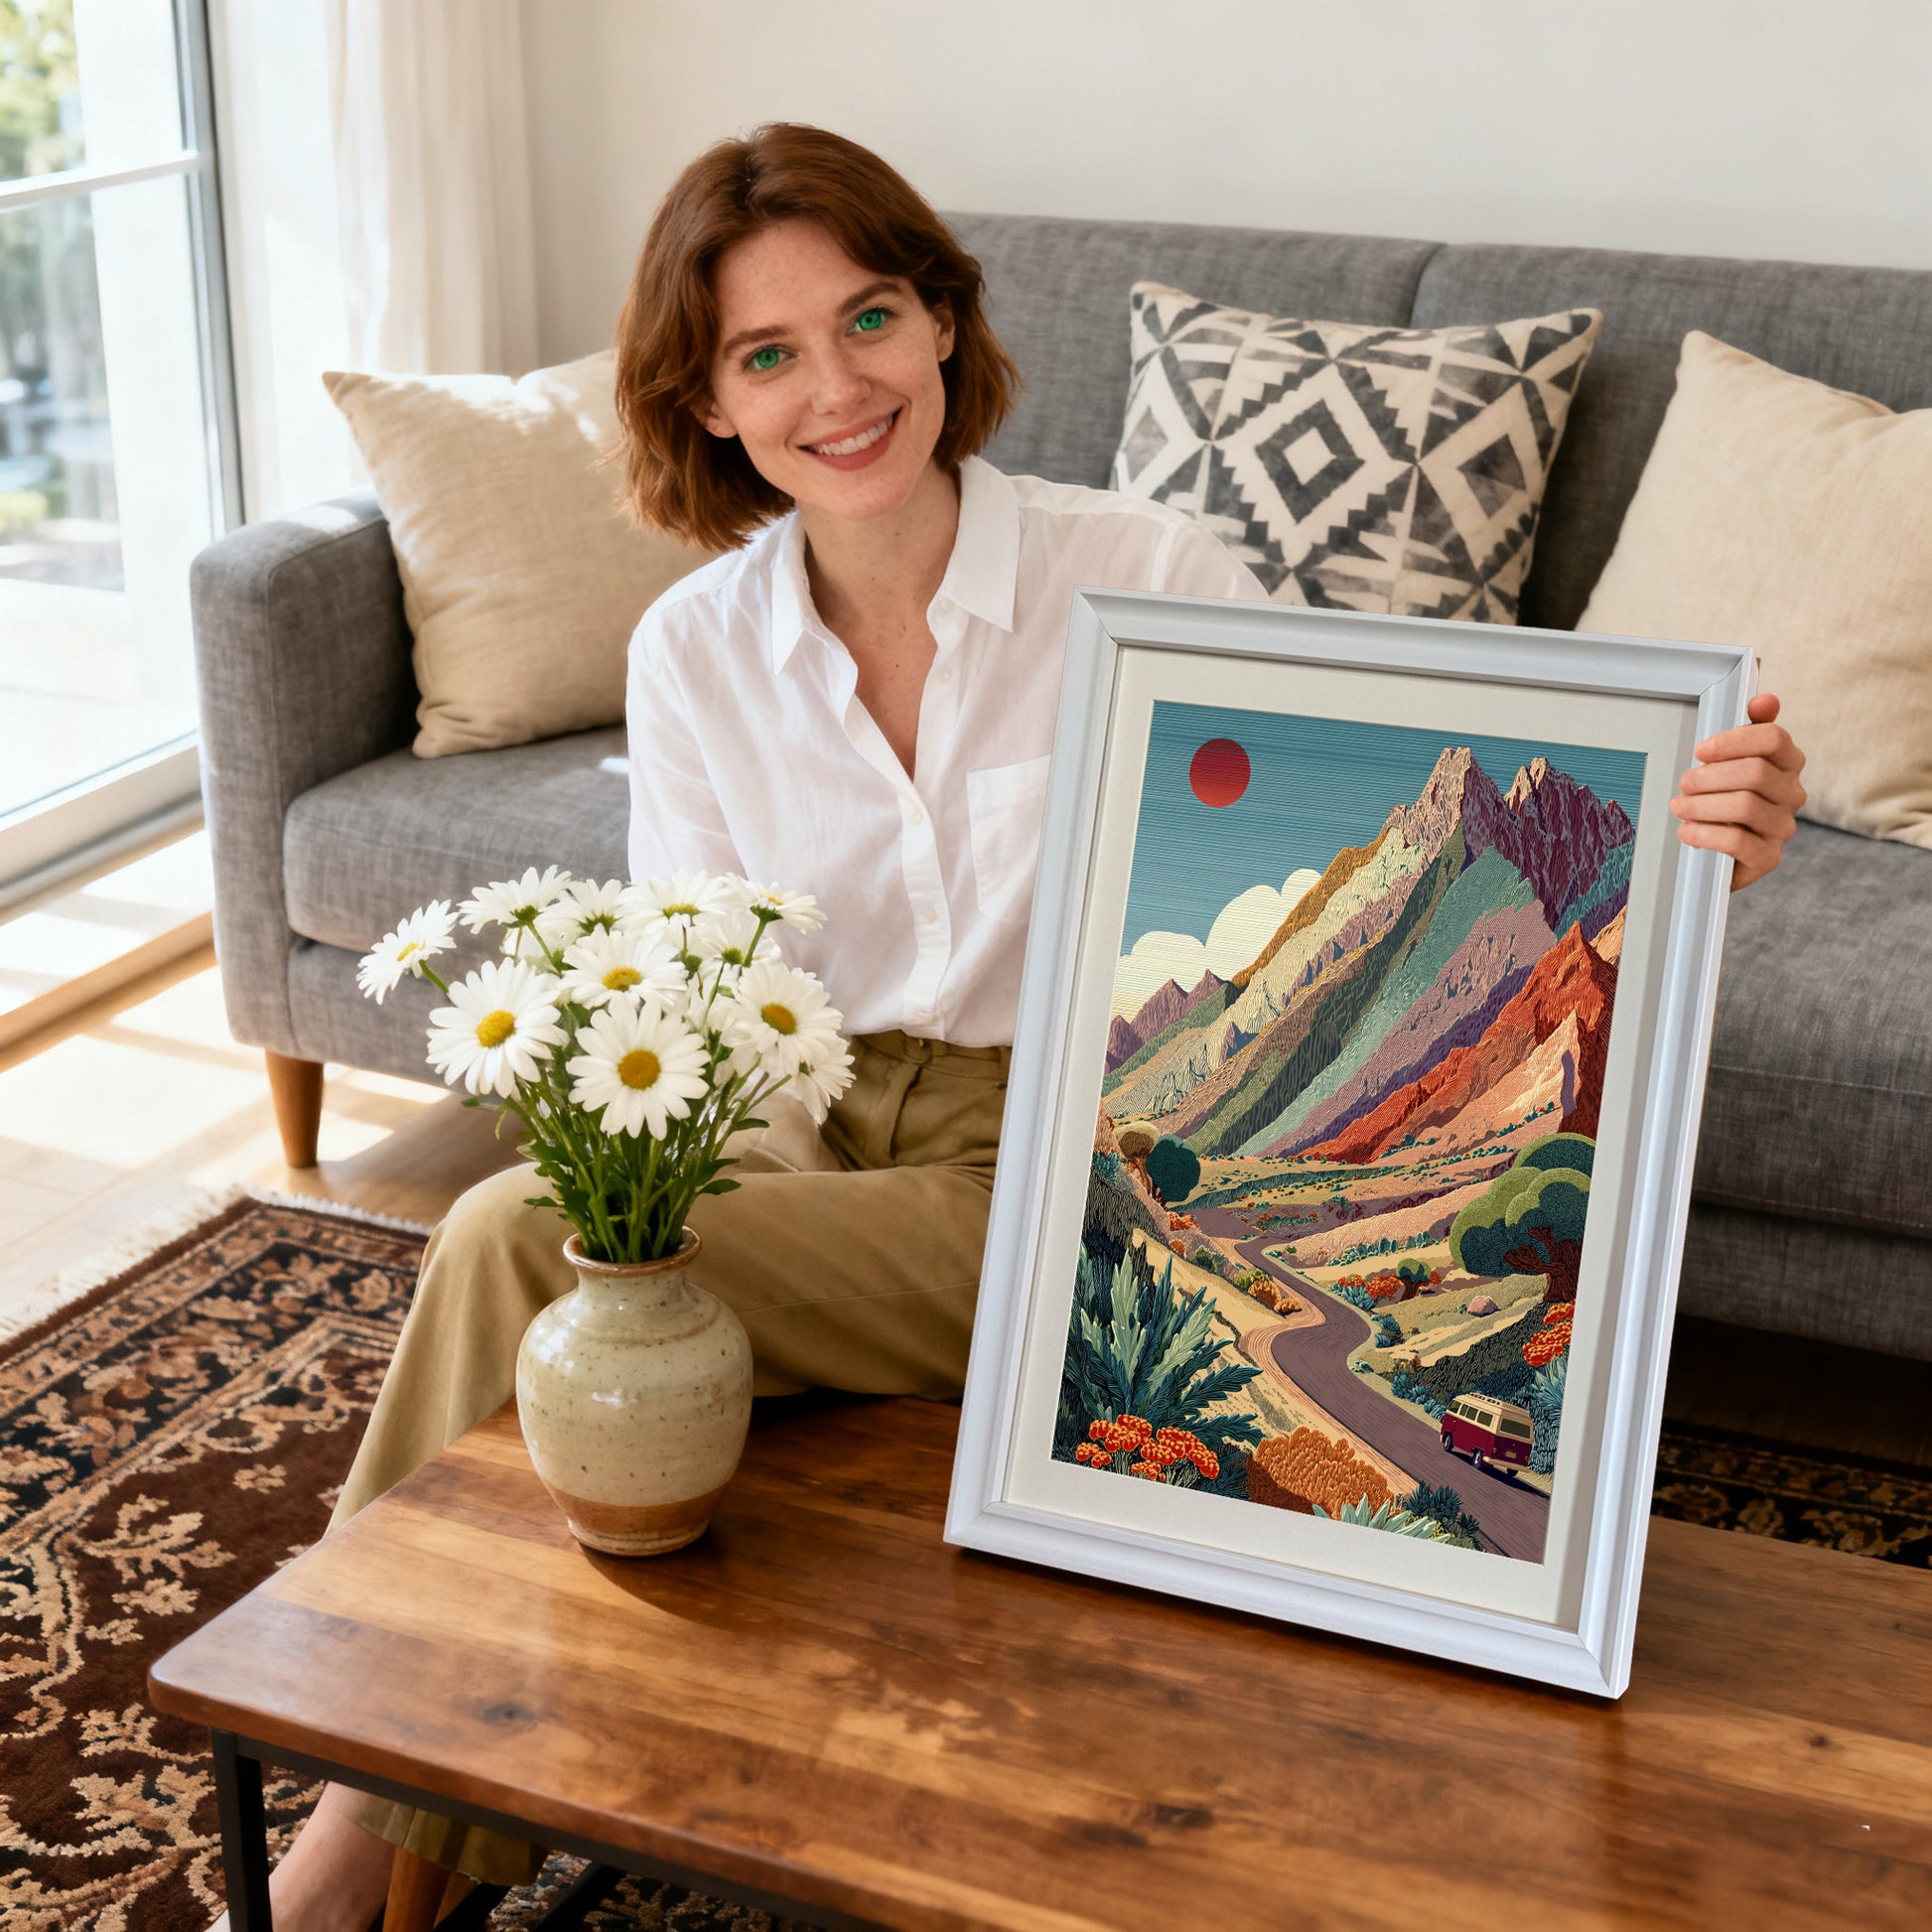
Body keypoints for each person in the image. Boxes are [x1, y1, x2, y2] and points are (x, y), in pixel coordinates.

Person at [219, 124, 1806, 1931]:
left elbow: (1377, 812)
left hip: (1063, 1160)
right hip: (800, 1142)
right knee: (577, 1285)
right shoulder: (691, 650)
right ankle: (405, 1789)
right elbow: (693, 1008)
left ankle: (351, 1851)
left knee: (514, 1240)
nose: (839, 386)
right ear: (708, 405)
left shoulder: (1147, 570)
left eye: (871, 317)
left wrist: (1693, 826)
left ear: (945, 323)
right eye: (768, 355)